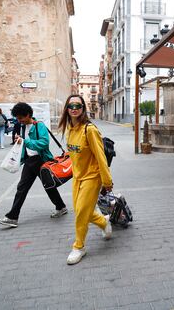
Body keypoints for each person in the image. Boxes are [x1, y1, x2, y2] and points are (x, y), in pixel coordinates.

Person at [58, 94, 113, 265]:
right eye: (71, 106)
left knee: (81, 213)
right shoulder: (70, 130)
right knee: (84, 212)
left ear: (83, 109)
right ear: (66, 109)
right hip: (78, 177)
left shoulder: (89, 129)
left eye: (78, 106)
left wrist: (107, 181)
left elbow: (100, 156)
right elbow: (74, 154)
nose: (74, 109)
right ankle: (104, 222)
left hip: (92, 176)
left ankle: (79, 246)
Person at [0, 102, 67, 228]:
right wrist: (20, 142)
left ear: (28, 115)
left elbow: (44, 143)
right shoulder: (22, 126)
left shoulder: (39, 126)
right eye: (17, 118)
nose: (19, 121)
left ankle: (61, 207)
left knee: (48, 186)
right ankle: (12, 217)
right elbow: (26, 143)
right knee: (22, 188)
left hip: (41, 161)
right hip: (30, 161)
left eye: (21, 118)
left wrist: (26, 141)